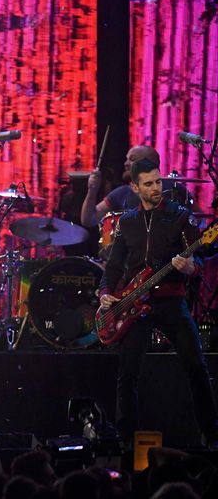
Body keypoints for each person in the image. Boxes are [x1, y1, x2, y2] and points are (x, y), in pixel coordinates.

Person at [99, 158, 218, 447]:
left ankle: (211, 435)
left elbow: (199, 255)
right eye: (149, 184)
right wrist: (104, 291)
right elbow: (114, 266)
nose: (156, 188)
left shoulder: (179, 216)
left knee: (196, 366)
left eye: (158, 182)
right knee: (127, 375)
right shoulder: (126, 222)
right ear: (135, 187)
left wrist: (191, 268)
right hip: (135, 304)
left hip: (170, 300)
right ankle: (127, 441)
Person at [81, 145, 194, 229]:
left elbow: (199, 219)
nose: (126, 163)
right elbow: (89, 219)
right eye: (126, 159)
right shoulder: (123, 192)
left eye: (132, 159)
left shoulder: (175, 189)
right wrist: (92, 191)